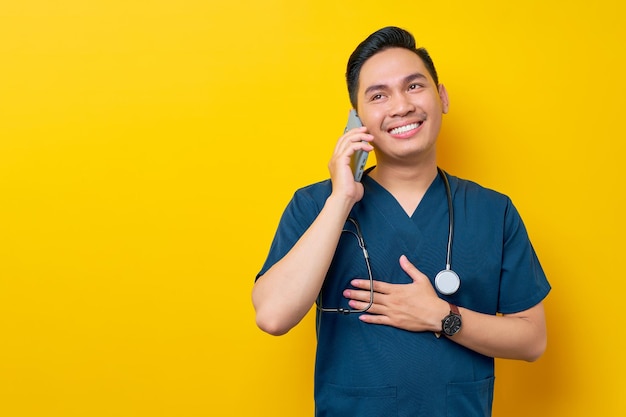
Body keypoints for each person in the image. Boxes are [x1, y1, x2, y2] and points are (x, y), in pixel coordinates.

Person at [252, 26, 550, 417]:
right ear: (357, 120)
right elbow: (273, 315)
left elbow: (532, 340)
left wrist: (442, 317)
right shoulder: (315, 205)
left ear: (441, 97)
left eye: (414, 87)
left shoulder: (493, 211)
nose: (401, 106)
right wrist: (342, 197)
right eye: (379, 95)